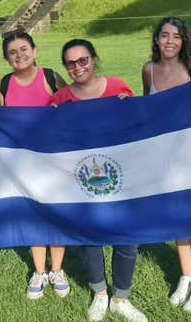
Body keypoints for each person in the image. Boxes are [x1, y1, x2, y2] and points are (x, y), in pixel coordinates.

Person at [50, 39, 147, 322]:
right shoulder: (62, 98)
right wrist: (52, 119)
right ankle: (100, 293)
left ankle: (121, 297)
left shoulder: (117, 87)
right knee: (89, 236)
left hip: (119, 173)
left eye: (83, 60)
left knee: (126, 237)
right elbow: (50, 136)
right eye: (71, 63)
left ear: (93, 59)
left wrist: (128, 106)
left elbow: (136, 124)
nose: (78, 67)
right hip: (80, 177)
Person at [142, 17, 191, 312]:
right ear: (157, 39)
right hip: (166, 156)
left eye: (176, 36)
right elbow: (147, 108)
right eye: (164, 35)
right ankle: (186, 276)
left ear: (184, 40)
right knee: (178, 217)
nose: (170, 41)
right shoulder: (149, 69)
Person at [0, 29, 69, 300]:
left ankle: (57, 269)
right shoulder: (4, 84)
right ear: (6, 58)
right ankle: (39, 270)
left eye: (24, 49)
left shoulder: (50, 77)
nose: (19, 55)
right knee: (34, 214)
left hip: (55, 159)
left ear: (34, 51)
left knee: (57, 212)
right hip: (24, 163)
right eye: (12, 52)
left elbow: (72, 110)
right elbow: (1, 122)